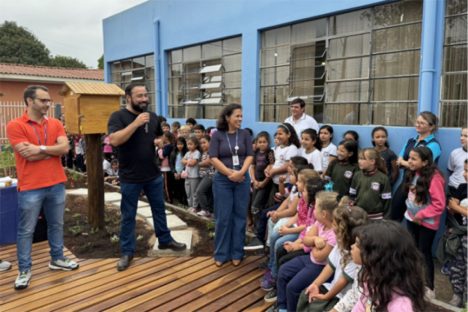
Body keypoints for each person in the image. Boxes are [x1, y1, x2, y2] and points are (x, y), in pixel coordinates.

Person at [7, 85, 79, 290]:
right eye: (43, 100)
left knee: (56, 225)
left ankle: (57, 259)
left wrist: (40, 148)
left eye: (49, 100)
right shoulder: (15, 125)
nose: (48, 103)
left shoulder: (55, 123)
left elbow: (65, 148)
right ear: (30, 101)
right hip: (30, 186)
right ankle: (24, 270)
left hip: (56, 183)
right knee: (26, 230)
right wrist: (52, 151)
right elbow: (26, 155)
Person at [108, 82, 186, 271]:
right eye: (139, 96)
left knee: (159, 210)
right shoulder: (118, 116)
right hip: (130, 176)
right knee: (128, 216)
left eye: (145, 95)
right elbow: (115, 140)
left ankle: (165, 240)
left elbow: (158, 137)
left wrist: (159, 142)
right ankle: (127, 251)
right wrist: (135, 123)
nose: (144, 99)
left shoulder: (152, 117)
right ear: (128, 98)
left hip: (153, 174)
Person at [331, 221, 426, 312]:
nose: (352, 246)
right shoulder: (373, 281)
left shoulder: (400, 306)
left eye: (358, 244)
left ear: (376, 256)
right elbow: (359, 305)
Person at [274, 191, 338, 311]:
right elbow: (306, 239)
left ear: (323, 213)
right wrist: (314, 240)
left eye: (316, 208)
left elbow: (319, 257)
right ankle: (282, 306)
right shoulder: (319, 223)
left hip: (320, 267)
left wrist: (311, 243)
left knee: (292, 287)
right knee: (283, 271)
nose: (314, 210)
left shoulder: (333, 234)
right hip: (309, 259)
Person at [298, 205, 368, 312]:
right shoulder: (341, 243)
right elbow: (330, 266)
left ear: (345, 232)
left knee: (314, 308)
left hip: (341, 297)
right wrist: (315, 284)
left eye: (335, 224)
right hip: (332, 288)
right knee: (305, 295)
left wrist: (326, 297)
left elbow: (342, 282)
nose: (332, 227)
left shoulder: (356, 255)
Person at [209, 103, 254, 267]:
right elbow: (213, 157)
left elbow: (250, 155)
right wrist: (230, 174)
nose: (240, 119)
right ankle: (221, 253)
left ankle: (237, 252)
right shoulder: (217, 135)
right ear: (227, 117)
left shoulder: (245, 134)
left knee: (240, 217)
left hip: (242, 180)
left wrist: (241, 173)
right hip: (223, 180)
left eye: (241, 116)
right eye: (237, 116)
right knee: (223, 218)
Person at [404, 146, 445, 299]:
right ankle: (413, 283)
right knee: (413, 251)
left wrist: (421, 215)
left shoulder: (435, 178)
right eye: (409, 158)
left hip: (426, 223)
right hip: (412, 219)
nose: (410, 161)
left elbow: (439, 205)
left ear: (426, 162)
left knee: (424, 252)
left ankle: (429, 288)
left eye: (414, 159)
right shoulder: (414, 173)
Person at [391, 111, 441, 221]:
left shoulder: (434, 145)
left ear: (431, 126)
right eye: (417, 122)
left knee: (416, 220)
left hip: (421, 185)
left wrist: (405, 163)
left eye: (422, 123)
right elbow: (399, 160)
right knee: (394, 214)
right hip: (406, 182)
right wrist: (407, 163)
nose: (417, 125)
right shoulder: (411, 141)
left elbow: (422, 166)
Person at [349, 148, 392, 220]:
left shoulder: (383, 178)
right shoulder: (357, 175)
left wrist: (386, 219)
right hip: (359, 216)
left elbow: (387, 201)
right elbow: (352, 194)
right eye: (359, 158)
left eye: (363, 159)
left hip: (376, 217)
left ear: (372, 161)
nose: (359, 161)